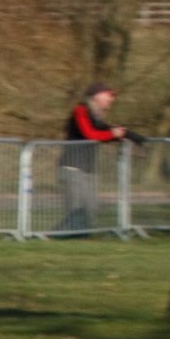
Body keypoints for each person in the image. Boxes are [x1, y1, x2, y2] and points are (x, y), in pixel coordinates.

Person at [59, 85, 135, 233]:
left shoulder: (97, 116)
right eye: (108, 95)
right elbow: (90, 134)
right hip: (72, 167)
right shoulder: (80, 110)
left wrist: (123, 136)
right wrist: (113, 134)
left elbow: (103, 133)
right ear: (96, 96)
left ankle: (78, 237)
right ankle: (54, 237)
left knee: (91, 210)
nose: (111, 99)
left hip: (87, 169)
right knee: (76, 210)